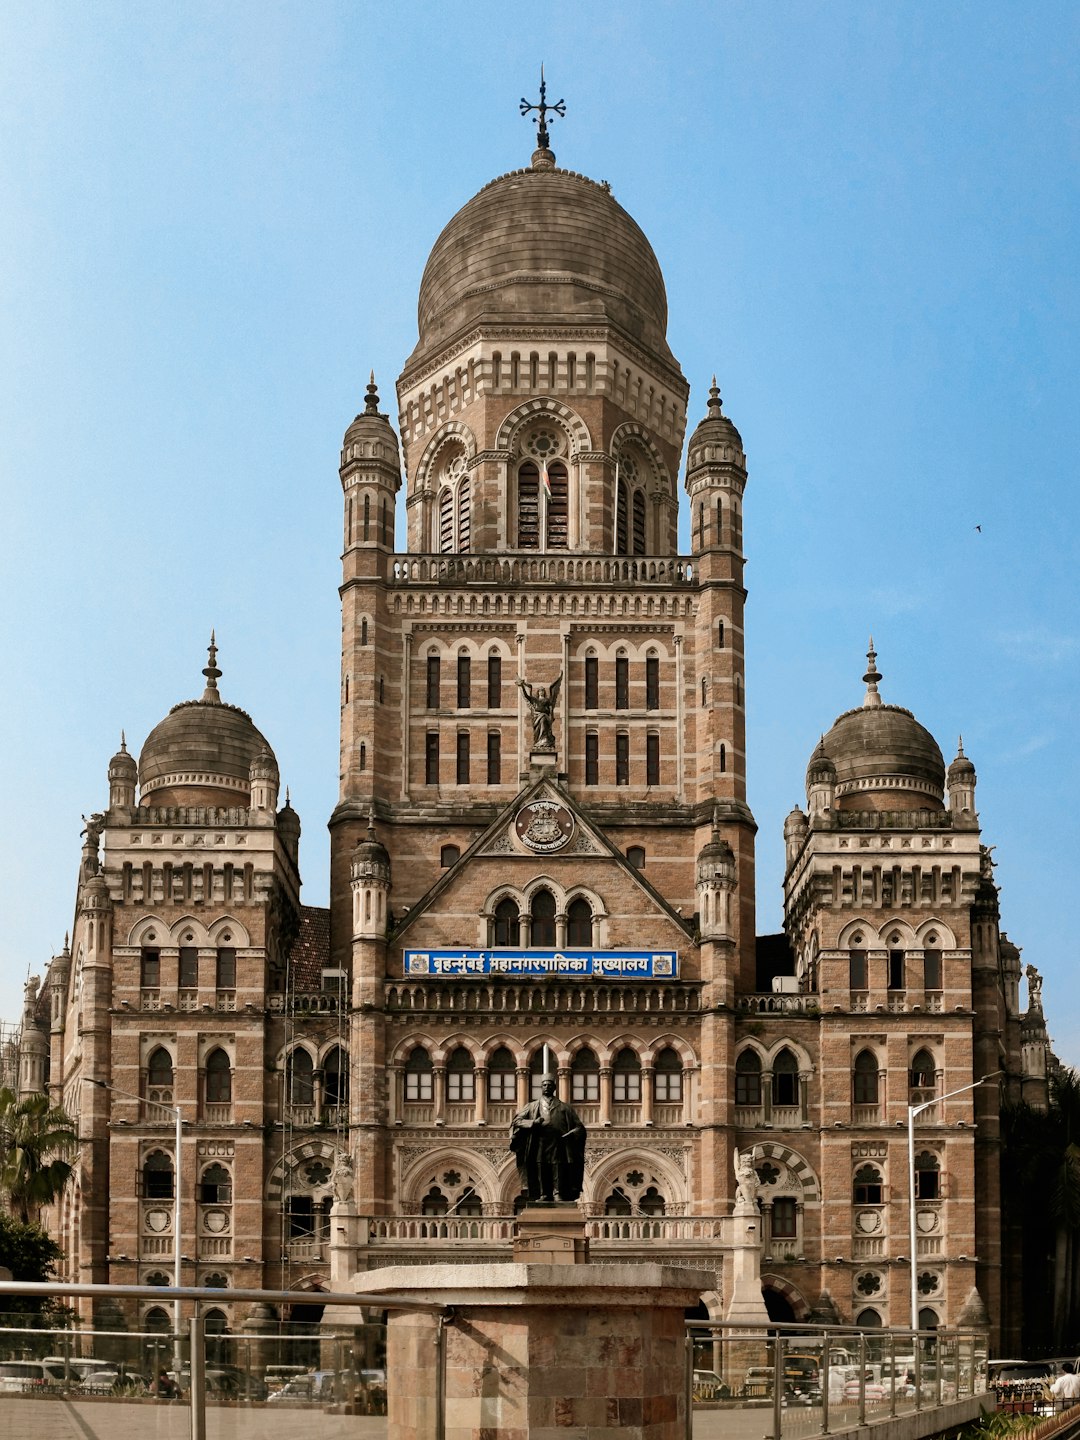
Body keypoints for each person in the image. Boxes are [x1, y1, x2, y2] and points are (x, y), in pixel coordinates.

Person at [509, 1075, 586, 1202]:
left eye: (549, 1085)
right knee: (541, 1166)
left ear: (554, 1087)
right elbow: (517, 1121)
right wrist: (533, 1122)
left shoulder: (565, 1108)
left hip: (559, 1143)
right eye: (544, 1085)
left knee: (558, 1167)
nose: (547, 1087)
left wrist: (572, 1134)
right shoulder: (532, 1106)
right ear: (541, 1087)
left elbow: (579, 1127)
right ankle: (544, 1194)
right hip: (539, 1142)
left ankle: (558, 1193)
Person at [517, 673, 561, 750]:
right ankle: (539, 741)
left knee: (544, 720)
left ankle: (544, 740)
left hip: (545, 716)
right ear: (538, 692)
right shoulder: (534, 700)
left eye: (542, 691)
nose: (541, 692)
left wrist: (551, 716)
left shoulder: (547, 700)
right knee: (540, 723)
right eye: (540, 691)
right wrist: (522, 686)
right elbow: (526, 696)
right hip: (537, 717)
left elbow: (550, 707)